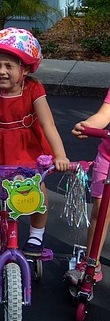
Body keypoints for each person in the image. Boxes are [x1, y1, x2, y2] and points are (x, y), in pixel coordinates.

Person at [0, 28, 70, 270]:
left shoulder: (33, 89)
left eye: (9, 66)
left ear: (25, 70)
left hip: (26, 154)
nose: (2, 71)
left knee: (39, 195)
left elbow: (48, 124)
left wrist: (60, 155)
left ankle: (36, 237)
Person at [64, 93, 110, 284]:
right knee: (100, 210)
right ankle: (92, 261)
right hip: (107, 158)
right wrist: (88, 125)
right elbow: (104, 114)